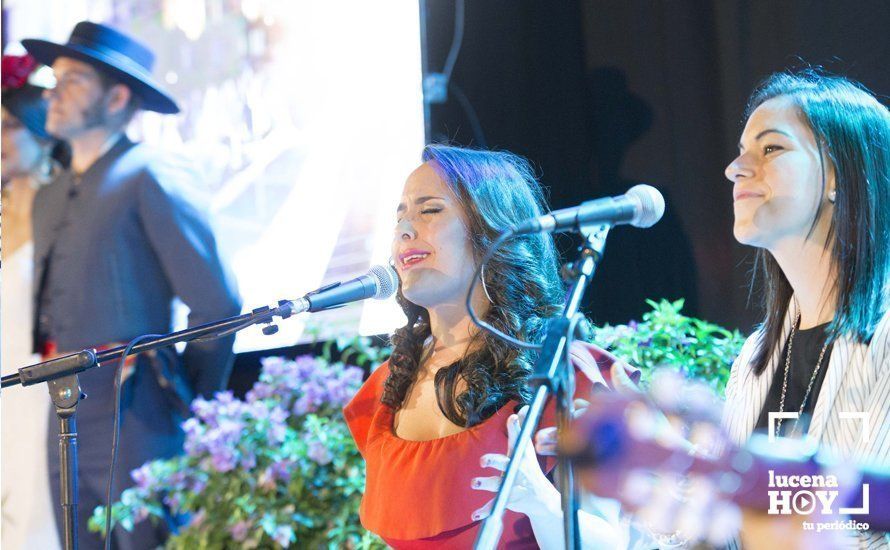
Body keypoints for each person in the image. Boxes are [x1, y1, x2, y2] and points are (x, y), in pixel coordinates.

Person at [344, 144, 634, 548]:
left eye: (429, 210)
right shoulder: (384, 391)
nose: (405, 230)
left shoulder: (565, 376)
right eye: (400, 214)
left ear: (493, 231)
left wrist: (543, 504)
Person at [22, 22, 241, 549]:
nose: (53, 90)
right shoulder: (48, 197)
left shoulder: (153, 172)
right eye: (56, 78)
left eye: (73, 80)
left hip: (136, 407)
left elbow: (218, 304)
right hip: (66, 410)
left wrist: (183, 395)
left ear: (118, 97)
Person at [722, 70, 890, 547]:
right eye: (740, 150)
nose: (736, 167)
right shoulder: (755, 358)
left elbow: (874, 532)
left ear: (839, 173)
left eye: (771, 148)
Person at [1, 53, 65, 550]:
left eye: (8, 127)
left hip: (37, 388)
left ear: (40, 129)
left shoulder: (64, 207)